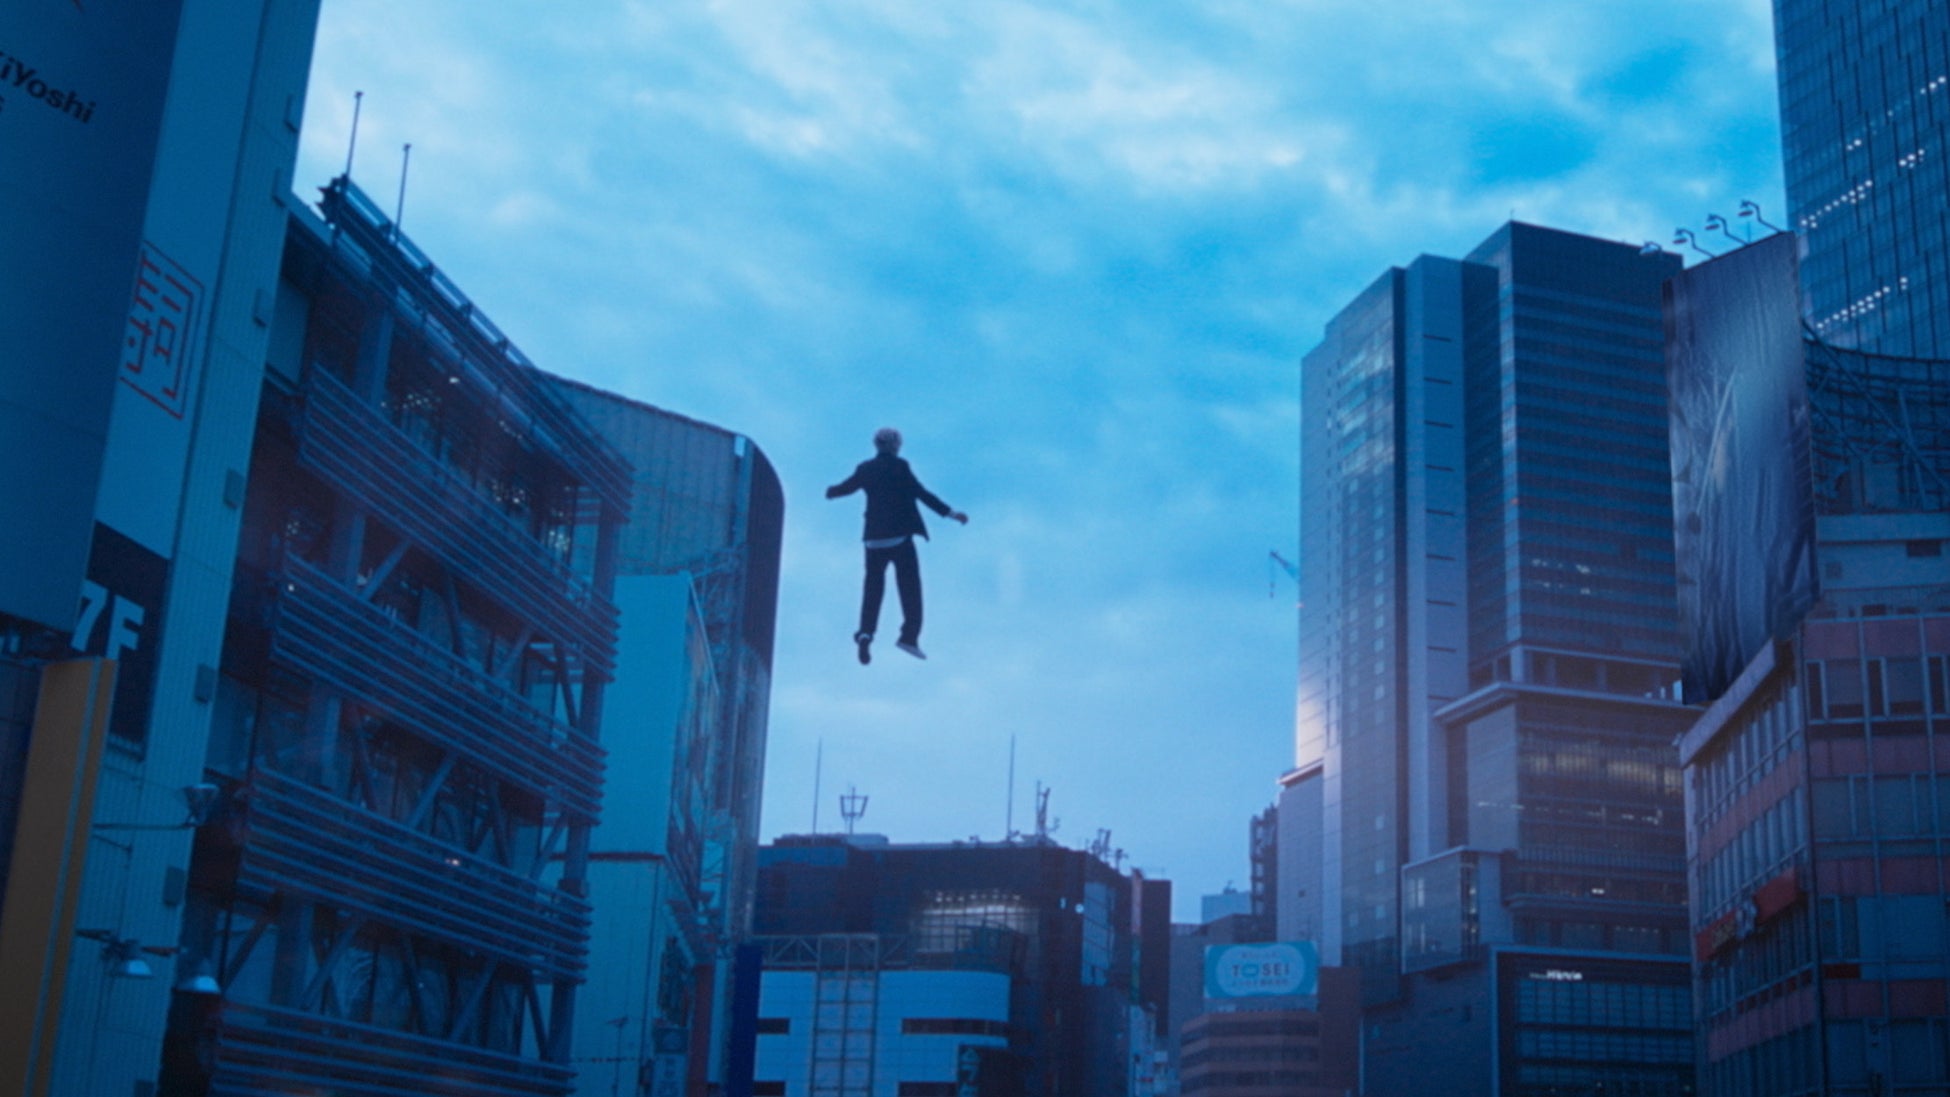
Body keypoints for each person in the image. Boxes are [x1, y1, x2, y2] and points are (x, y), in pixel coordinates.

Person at [826, 427, 967, 663]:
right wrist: (952, 514)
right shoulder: (900, 467)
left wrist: (831, 492)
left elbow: (846, 487)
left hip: (873, 541)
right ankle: (908, 637)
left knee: (872, 590)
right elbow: (921, 494)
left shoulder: (865, 469)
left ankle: (865, 634)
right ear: (895, 445)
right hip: (900, 538)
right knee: (910, 589)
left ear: (876, 445)